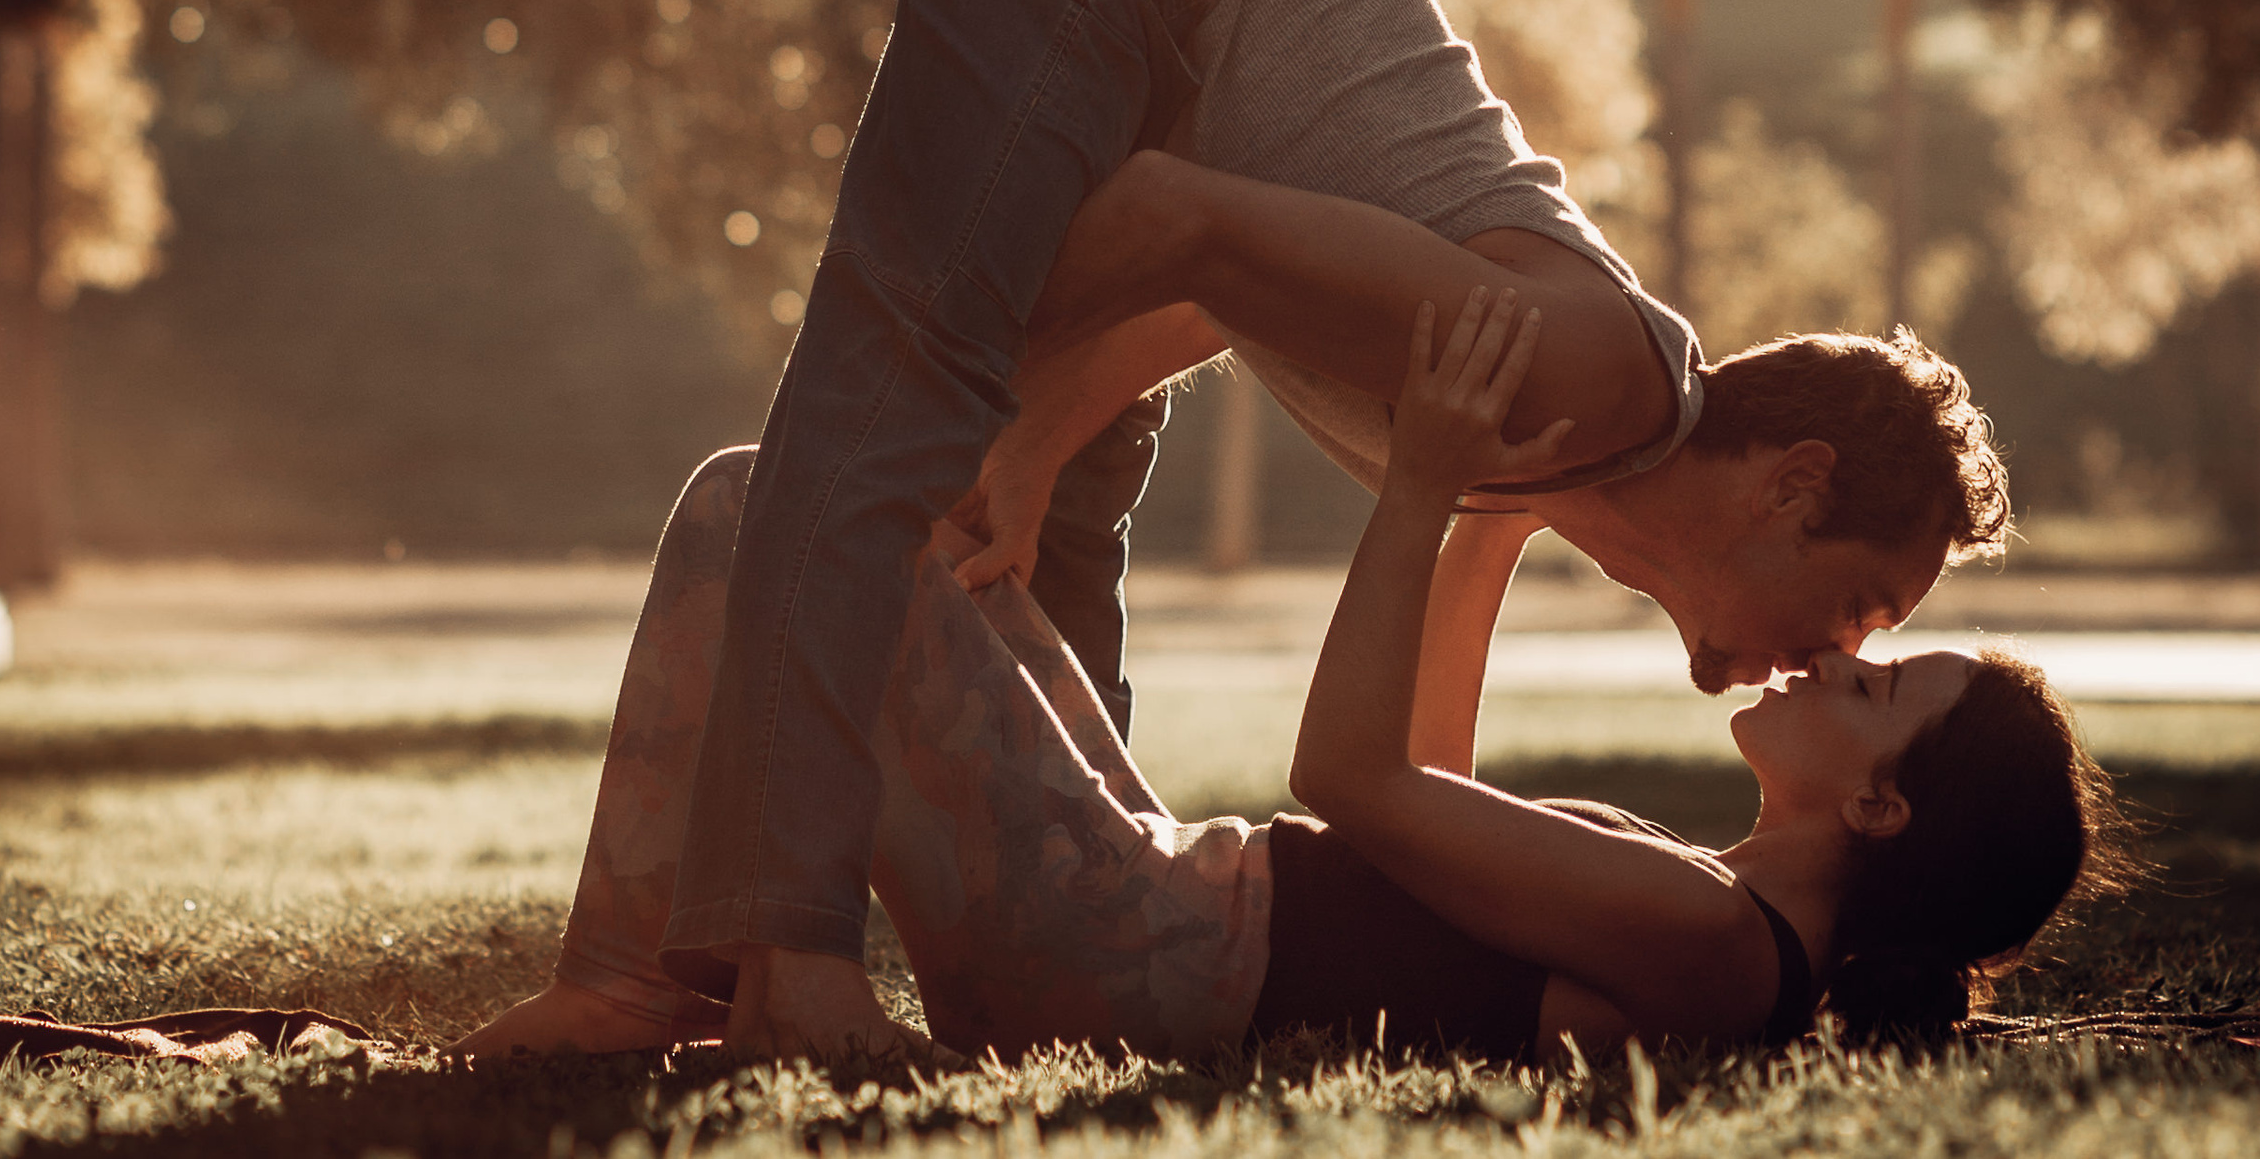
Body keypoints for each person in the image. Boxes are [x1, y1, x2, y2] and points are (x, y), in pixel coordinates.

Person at [660, 0, 2009, 1059]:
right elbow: (1172, 230)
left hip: (1165, 49)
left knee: (1027, 531)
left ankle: (662, 979)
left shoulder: (1554, 458)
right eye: (1864, 607)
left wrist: (1041, 439)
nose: (1841, 650)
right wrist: (935, 348)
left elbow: (1247, 287)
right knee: (879, 437)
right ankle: (783, 961)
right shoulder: (1568, 381)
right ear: (1793, 487)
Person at [462, 291, 2109, 1064]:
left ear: (1881, 807)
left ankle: (637, 984)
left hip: (1122, 948)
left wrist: (1421, 487)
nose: (1839, 659)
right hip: (1143, 910)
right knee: (882, 539)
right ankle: (678, 980)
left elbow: (1359, 785)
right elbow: (1435, 803)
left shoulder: (1721, 944)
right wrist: (1501, 515)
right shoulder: (1710, 907)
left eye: (1878, 685)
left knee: (768, 505)